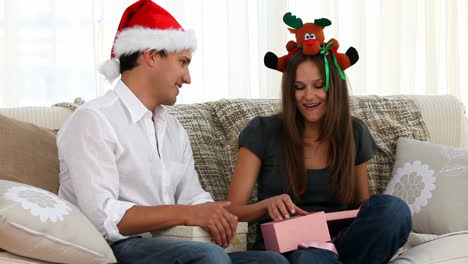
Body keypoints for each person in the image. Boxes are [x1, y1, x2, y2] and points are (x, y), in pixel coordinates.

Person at [57, 1, 288, 263]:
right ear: (152, 55)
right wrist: (187, 214)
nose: (187, 77)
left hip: (172, 246)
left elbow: (193, 196)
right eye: (183, 62)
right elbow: (102, 217)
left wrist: (214, 213)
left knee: (272, 261)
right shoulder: (93, 120)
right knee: (209, 257)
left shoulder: (173, 130)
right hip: (114, 248)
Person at [227, 16, 412, 264]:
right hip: (290, 249)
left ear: (333, 87)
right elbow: (232, 210)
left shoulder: (354, 131)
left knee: (393, 210)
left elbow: (362, 203)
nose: (308, 96)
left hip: (342, 245)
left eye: (318, 85)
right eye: (299, 87)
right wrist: (266, 206)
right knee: (310, 259)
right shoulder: (262, 131)